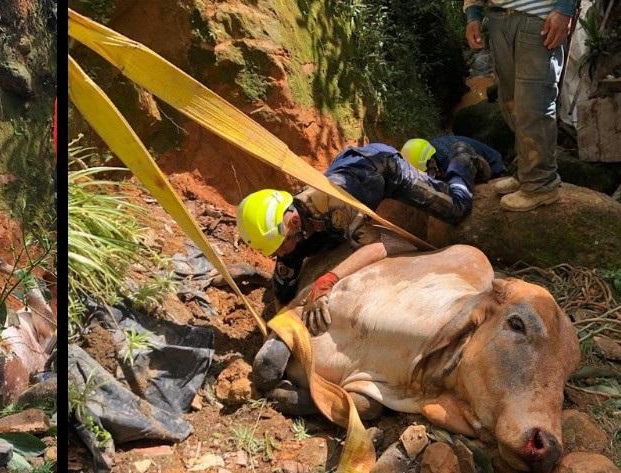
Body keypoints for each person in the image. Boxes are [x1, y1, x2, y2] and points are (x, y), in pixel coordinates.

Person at [236, 142, 491, 334]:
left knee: (457, 208)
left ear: (293, 222)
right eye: (274, 252)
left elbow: (377, 246)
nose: (280, 253)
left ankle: (461, 159)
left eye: (280, 247)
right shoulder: (289, 230)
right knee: (302, 256)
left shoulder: (335, 205)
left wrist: (327, 281)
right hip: (349, 169)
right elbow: (283, 291)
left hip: (383, 166)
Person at [463, 1, 575, 211]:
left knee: (534, 104)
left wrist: (565, 8)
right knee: (511, 103)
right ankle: (527, 172)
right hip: (497, 17)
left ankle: (540, 183)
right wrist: (473, 13)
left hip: (539, 18)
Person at [401, 136, 504, 181]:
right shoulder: (429, 148)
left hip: (494, 166)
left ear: (431, 162)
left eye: (425, 172)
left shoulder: (454, 165)